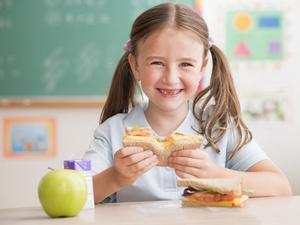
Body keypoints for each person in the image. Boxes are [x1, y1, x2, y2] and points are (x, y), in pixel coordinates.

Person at [83, 3, 292, 204]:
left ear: (202, 67)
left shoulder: (219, 127)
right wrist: (115, 178)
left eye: (186, 64)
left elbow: (280, 186)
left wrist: (215, 174)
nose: (171, 78)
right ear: (135, 65)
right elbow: (78, 194)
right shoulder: (113, 132)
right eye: (157, 63)